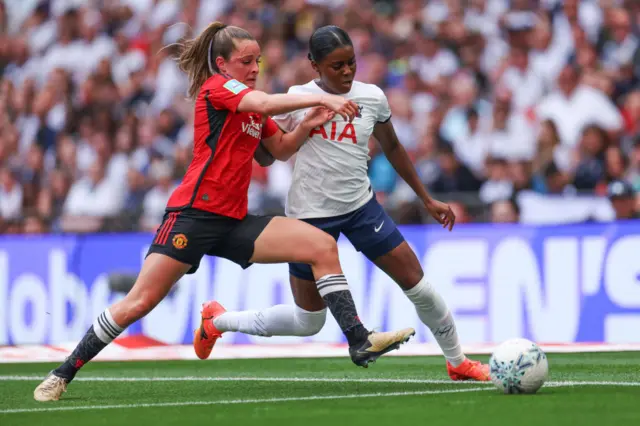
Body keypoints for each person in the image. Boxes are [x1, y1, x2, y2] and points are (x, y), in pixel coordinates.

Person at [33, 22, 415, 402]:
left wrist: (308, 126)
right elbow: (264, 102)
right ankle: (63, 372)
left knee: (319, 246)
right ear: (222, 64)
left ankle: (359, 340)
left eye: (258, 62)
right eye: (246, 61)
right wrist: (321, 100)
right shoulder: (217, 89)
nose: (254, 69)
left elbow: (279, 151)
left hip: (233, 221)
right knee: (140, 302)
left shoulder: (250, 104)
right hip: (193, 216)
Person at [202, 26, 489, 381]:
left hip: (360, 208)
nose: (347, 72)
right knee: (308, 321)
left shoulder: (372, 97)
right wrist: (253, 122)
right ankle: (218, 321)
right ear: (314, 66)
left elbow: (394, 147)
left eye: (351, 63)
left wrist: (426, 198)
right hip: (308, 217)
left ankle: (458, 361)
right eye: (336, 66)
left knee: (417, 283)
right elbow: (268, 157)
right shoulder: (297, 98)